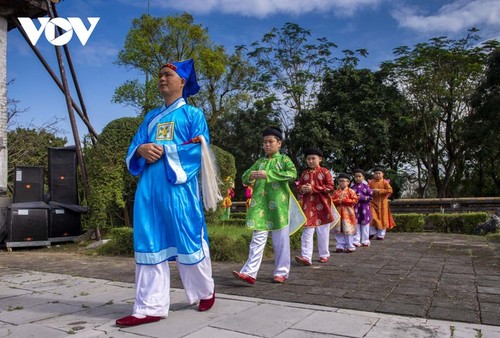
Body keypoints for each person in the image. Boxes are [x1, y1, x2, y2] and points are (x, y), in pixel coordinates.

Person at [117, 59, 217, 327]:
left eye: (167, 75)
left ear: (182, 82)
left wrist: (168, 151)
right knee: (149, 243)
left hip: (179, 191)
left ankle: (204, 291)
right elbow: (134, 147)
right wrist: (141, 151)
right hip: (149, 191)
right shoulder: (150, 117)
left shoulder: (193, 115)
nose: (161, 79)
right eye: (160, 75)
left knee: (188, 240)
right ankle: (149, 307)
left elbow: (200, 151)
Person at [233, 127, 305, 284]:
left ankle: (281, 272)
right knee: (257, 239)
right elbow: (244, 176)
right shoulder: (260, 162)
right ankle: (249, 273)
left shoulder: (284, 160)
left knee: (281, 241)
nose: (267, 145)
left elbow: (292, 174)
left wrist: (269, 175)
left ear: (279, 143)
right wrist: (249, 176)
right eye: (264, 142)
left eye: (270, 142)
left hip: (279, 206)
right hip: (260, 206)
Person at [295, 147, 335, 265]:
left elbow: (330, 187)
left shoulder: (325, 172)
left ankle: (324, 254)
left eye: (313, 158)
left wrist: (314, 189)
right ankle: (306, 257)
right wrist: (301, 189)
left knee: (323, 232)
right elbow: (299, 187)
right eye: (308, 159)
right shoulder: (304, 173)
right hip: (308, 206)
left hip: (323, 206)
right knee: (307, 231)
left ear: (320, 159)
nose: (311, 161)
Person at [331, 173, 359, 253]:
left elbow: (355, 200)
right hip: (338, 213)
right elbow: (331, 200)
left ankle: (350, 246)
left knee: (348, 230)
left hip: (348, 214)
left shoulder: (351, 191)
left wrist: (344, 200)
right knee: (338, 230)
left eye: (344, 181)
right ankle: (340, 246)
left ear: (348, 182)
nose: (342, 183)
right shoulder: (336, 192)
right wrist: (338, 201)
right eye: (340, 181)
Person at [369, 167, 396, 240]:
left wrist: (379, 191)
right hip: (372, 202)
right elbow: (367, 190)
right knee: (372, 217)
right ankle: (372, 232)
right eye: (376, 173)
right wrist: (371, 191)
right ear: (373, 174)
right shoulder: (370, 182)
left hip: (383, 203)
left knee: (383, 218)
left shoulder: (385, 182)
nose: (377, 175)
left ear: (382, 174)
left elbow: (390, 190)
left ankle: (380, 235)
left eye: (379, 173)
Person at [351, 169, 373, 247]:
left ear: (363, 177)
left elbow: (371, 197)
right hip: (355, 208)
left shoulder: (366, 187)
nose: (358, 178)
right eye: (356, 176)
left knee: (365, 225)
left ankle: (365, 240)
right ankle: (356, 240)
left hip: (365, 208)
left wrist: (362, 197)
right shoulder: (352, 188)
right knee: (356, 225)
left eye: (359, 176)